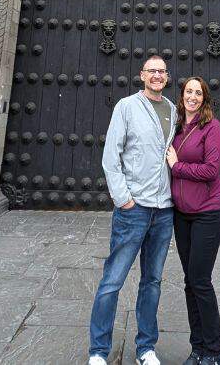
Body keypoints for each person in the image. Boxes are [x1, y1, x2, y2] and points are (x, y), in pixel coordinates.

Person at [88, 55, 178, 365]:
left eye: (162, 71)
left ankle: (146, 348)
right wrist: (123, 198)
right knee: (112, 281)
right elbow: (111, 155)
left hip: (164, 210)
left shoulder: (173, 110)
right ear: (142, 75)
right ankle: (98, 351)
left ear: (167, 77)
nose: (157, 75)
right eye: (152, 71)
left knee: (152, 281)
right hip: (134, 208)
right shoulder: (126, 107)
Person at [166, 77, 220, 365]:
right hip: (182, 214)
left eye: (198, 93)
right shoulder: (176, 126)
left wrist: (177, 166)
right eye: (188, 91)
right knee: (190, 282)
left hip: (208, 213)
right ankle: (198, 347)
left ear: (204, 98)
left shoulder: (211, 127)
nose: (192, 96)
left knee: (201, 280)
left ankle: (214, 352)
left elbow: (211, 170)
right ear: (182, 96)